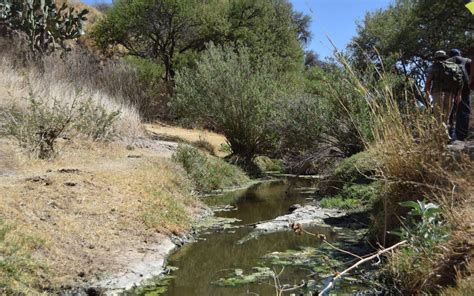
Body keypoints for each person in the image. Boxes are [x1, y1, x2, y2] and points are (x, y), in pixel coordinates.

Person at [425, 50, 463, 140]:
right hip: (450, 94)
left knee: (438, 116)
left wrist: (427, 92)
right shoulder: (454, 66)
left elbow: (428, 82)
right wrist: (459, 95)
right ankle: (443, 136)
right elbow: (460, 81)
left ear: (436, 57)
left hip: (437, 93)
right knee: (446, 116)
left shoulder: (433, 67)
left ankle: (444, 136)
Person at [447, 49, 471, 141]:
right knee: (464, 109)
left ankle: (449, 134)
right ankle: (462, 135)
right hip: (464, 87)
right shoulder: (466, 60)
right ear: (459, 53)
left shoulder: (446, 62)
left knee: (449, 110)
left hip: (449, 88)